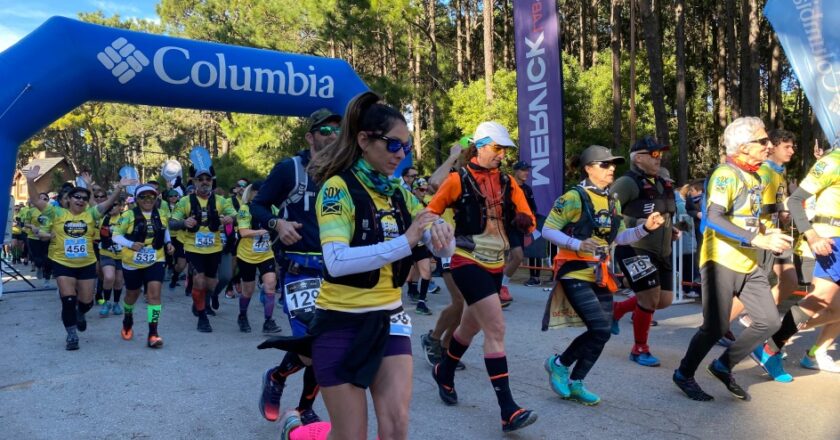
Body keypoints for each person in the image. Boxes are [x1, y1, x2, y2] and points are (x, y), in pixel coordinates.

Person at [306, 92, 453, 439]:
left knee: (396, 427)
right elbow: (337, 262)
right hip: (340, 323)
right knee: (351, 435)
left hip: (390, 319)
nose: (401, 155)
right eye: (393, 145)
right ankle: (300, 430)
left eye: (407, 147)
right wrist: (408, 241)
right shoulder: (337, 189)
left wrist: (438, 233)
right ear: (364, 140)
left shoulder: (396, 191)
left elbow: (426, 228)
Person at [426, 121, 537, 432]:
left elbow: (528, 218)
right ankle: (508, 410)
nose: (502, 155)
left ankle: (444, 371)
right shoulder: (456, 180)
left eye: (505, 150)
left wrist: (524, 220)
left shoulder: (507, 182)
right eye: (497, 148)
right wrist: (437, 230)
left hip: (495, 262)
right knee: (496, 327)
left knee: (470, 326)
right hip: (466, 259)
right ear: (480, 146)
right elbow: (430, 213)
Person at [673, 117, 792, 401]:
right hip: (721, 261)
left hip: (748, 263)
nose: (768, 146)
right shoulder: (726, 174)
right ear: (743, 147)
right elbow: (714, 217)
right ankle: (684, 373)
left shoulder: (755, 175)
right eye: (763, 141)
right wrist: (757, 239)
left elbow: (749, 218)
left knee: (769, 321)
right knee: (715, 327)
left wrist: (768, 231)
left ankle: (723, 365)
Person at [542, 145, 665, 404]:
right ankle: (559, 364)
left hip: (601, 274)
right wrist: (577, 244)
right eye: (604, 165)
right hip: (574, 272)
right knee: (598, 327)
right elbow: (548, 229)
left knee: (603, 331)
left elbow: (620, 237)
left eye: (613, 165)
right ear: (588, 168)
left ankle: (577, 382)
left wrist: (645, 228)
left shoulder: (612, 200)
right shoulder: (573, 197)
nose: (611, 169)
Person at [251, 108, 341, 423]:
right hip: (300, 270)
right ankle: (277, 378)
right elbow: (257, 205)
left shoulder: (344, 173)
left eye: (337, 131)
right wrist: (278, 223)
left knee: (326, 344)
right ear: (310, 136)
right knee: (312, 345)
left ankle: (304, 407)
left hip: (336, 272)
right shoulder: (290, 170)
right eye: (325, 131)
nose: (332, 136)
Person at [751, 140, 840, 379]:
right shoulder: (832, 161)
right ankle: (768, 345)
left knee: (835, 308)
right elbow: (795, 200)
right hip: (831, 239)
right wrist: (811, 236)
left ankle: (802, 351)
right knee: (819, 299)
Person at [25, 166, 132, 350]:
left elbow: (107, 203)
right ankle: (72, 334)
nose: (81, 200)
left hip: (86, 263)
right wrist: (30, 180)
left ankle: (80, 313)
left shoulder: (91, 214)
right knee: (67, 300)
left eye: (84, 198)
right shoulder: (56, 213)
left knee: (87, 302)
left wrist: (119, 188)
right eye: (77, 197)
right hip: (63, 263)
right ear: (68, 199)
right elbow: (35, 200)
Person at [609, 136, 676, 367]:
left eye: (660, 154)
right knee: (649, 297)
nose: (660, 158)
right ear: (639, 158)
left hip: (662, 250)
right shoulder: (627, 183)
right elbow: (608, 211)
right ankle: (640, 349)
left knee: (664, 300)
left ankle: (617, 310)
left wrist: (671, 230)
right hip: (635, 248)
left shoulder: (661, 182)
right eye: (654, 154)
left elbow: (663, 213)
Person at [727, 130, 797, 329]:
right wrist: (780, 209)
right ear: (772, 147)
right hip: (761, 236)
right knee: (753, 287)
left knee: (790, 281)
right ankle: (716, 327)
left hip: (775, 235)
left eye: (793, 147)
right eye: (787, 147)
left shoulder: (779, 172)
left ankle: (752, 317)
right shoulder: (763, 171)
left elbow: (776, 204)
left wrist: (784, 213)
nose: (792, 151)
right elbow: (751, 207)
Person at [169, 165, 237, 333]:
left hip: (214, 248)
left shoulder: (221, 201)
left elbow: (238, 215)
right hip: (193, 247)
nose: (205, 182)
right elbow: (171, 222)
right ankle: (202, 317)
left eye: (208, 179)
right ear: (194, 181)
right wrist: (183, 223)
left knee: (211, 283)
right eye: (201, 179)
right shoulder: (185, 201)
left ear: (212, 182)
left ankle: (199, 301)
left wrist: (231, 218)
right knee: (199, 280)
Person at [113, 184, 174, 348]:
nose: (148, 200)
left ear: (156, 198)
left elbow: (164, 229)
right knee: (132, 294)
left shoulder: (161, 213)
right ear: (137, 199)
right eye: (143, 197)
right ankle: (128, 317)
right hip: (132, 262)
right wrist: (131, 244)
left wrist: (168, 243)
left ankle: (153, 333)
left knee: (154, 295)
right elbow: (116, 236)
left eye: (151, 197)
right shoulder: (128, 215)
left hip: (156, 258)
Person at [234, 181, 277, 333]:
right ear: (252, 193)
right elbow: (243, 232)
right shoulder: (245, 209)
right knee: (248, 290)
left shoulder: (271, 208)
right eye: (259, 192)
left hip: (266, 254)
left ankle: (268, 321)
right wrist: (260, 232)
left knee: (270, 285)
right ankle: (242, 316)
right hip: (247, 256)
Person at [406, 177, 434, 315]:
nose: (424, 192)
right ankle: (411, 289)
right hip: (407, 243)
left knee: (426, 271)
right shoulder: (406, 201)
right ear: (414, 190)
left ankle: (421, 303)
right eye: (422, 190)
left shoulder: (425, 202)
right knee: (407, 273)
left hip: (421, 243)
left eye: (426, 190)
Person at [97, 197, 125, 317]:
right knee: (109, 277)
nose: (111, 207)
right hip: (106, 253)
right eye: (110, 205)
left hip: (122, 255)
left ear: (121, 206)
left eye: (115, 204)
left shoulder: (126, 218)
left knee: (119, 281)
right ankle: (106, 302)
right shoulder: (102, 217)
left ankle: (116, 303)